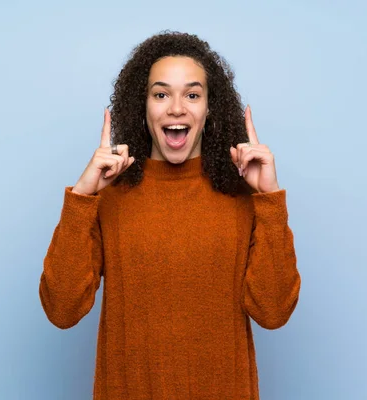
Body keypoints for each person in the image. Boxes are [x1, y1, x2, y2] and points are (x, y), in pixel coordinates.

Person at [39, 31, 301, 399]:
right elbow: (61, 309)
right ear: (142, 107)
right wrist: (82, 196)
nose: (176, 108)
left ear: (210, 109)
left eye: (192, 95)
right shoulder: (109, 196)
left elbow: (273, 313)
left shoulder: (245, 198)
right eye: (161, 94)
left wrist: (270, 198)